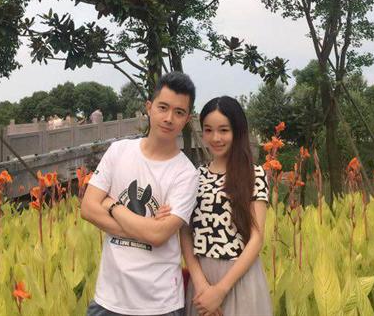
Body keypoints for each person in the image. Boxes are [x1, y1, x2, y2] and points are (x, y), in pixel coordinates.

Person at [81, 72, 200, 316]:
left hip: (160, 304)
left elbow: (157, 235)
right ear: (149, 107)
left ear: (187, 119)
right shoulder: (119, 151)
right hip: (108, 300)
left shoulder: (186, 174)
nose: (169, 118)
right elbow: (88, 208)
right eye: (162, 107)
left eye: (179, 112)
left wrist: (112, 206)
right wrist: (146, 228)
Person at [181, 96, 272, 316]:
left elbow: (256, 238)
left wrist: (221, 290)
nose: (215, 138)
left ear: (237, 131)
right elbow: (185, 233)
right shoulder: (195, 176)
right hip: (201, 282)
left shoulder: (254, 174)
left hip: (239, 280)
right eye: (208, 130)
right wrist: (201, 285)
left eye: (224, 130)